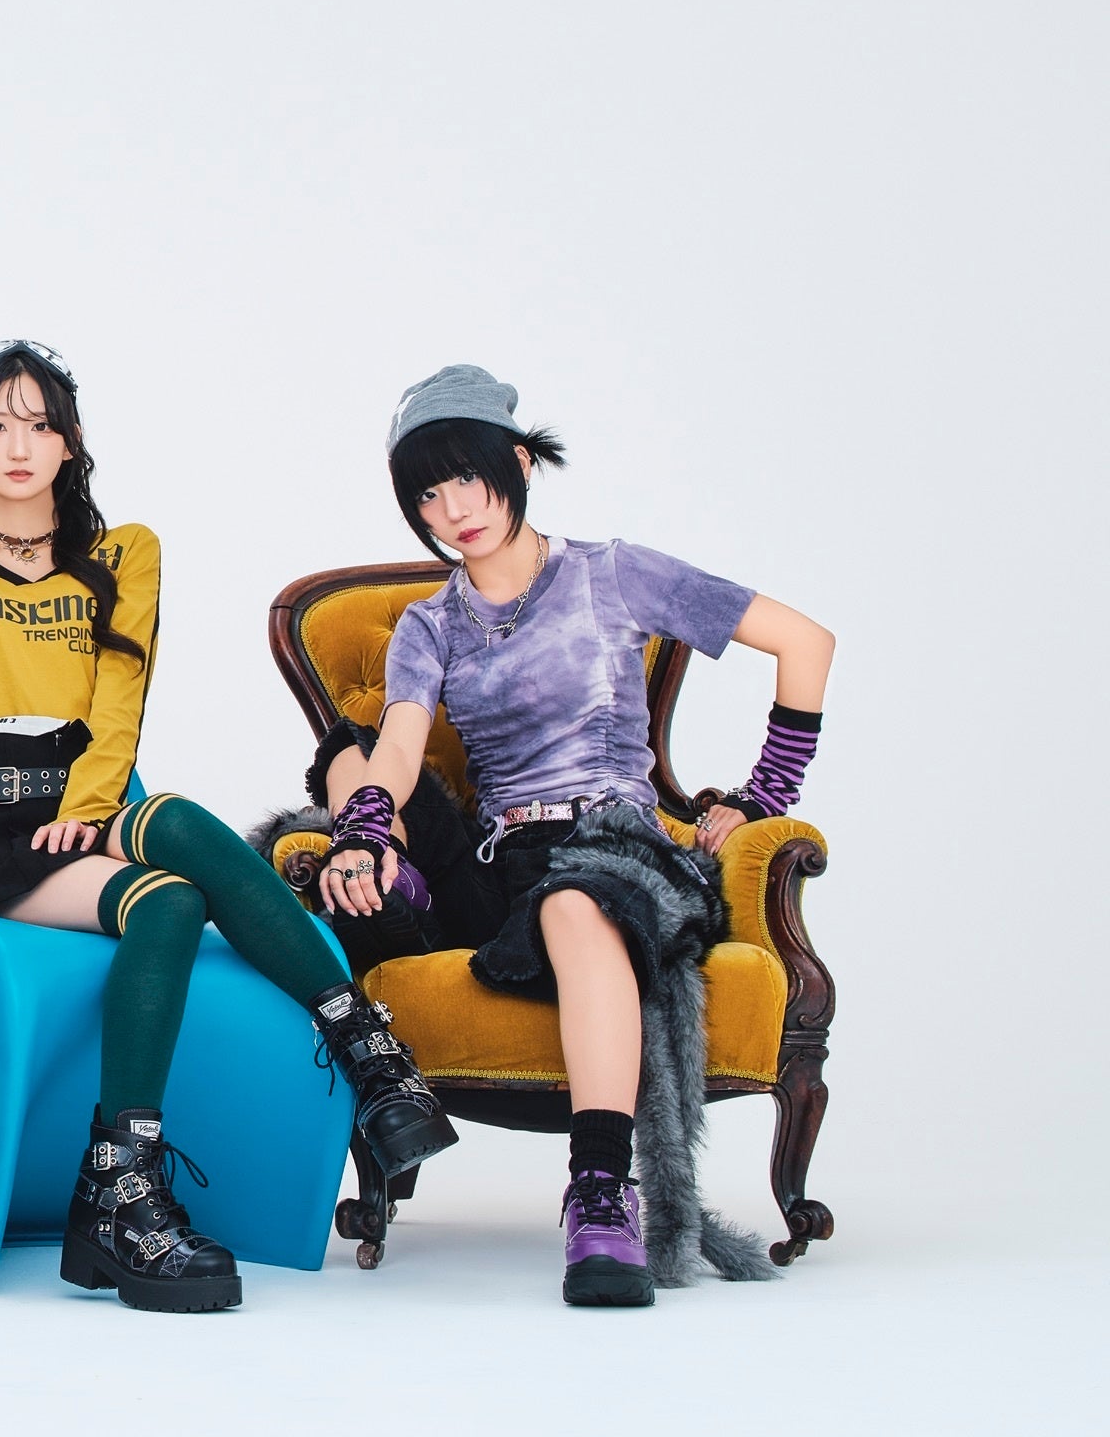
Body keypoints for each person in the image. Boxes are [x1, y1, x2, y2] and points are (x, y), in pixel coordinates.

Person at [0, 341, 456, 1314]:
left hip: (80, 803)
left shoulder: (122, 554)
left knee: (171, 856)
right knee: (169, 885)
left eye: (39, 424)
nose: (18, 446)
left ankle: (130, 1179)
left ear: (70, 440)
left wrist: (90, 807)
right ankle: (355, 1060)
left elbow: (118, 700)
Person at [309, 364, 831, 1304]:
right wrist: (367, 829)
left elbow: (806, 642)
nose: (452, 510)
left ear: (518, 463)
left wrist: (761, 799)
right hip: (498, 860)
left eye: (466, 478)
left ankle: (599, 1192)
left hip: (616, 846)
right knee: (349, 751)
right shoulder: (430, 626)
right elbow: (399, 747)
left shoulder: (610, 574)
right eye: (426, 494)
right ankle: (395, 873)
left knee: (575, 904)